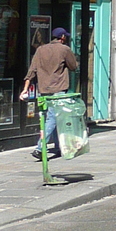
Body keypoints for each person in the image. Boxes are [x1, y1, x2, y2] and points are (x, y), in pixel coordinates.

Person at [26, 27, 79, 160]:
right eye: (65, 36)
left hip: (43, 90)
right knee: (53, 118)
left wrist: (26, 86)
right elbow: (74, 67)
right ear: (62, 37)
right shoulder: (64, 49)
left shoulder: (40, 49)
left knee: (52, 117)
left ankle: (57, 146)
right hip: (58, 89)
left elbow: (32, 70)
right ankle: (39, 147)